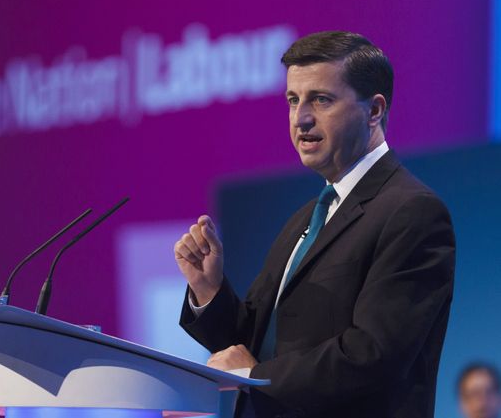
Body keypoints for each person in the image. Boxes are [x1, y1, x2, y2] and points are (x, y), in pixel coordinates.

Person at [174, 31, 456, 418]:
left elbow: (374, 355)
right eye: (293, 100)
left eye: (321, 100)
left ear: (374, 111)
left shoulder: (412, 212)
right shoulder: (306, 217)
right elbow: (250, 343)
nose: (301, 118)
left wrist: (256, 375)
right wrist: (208, 290)